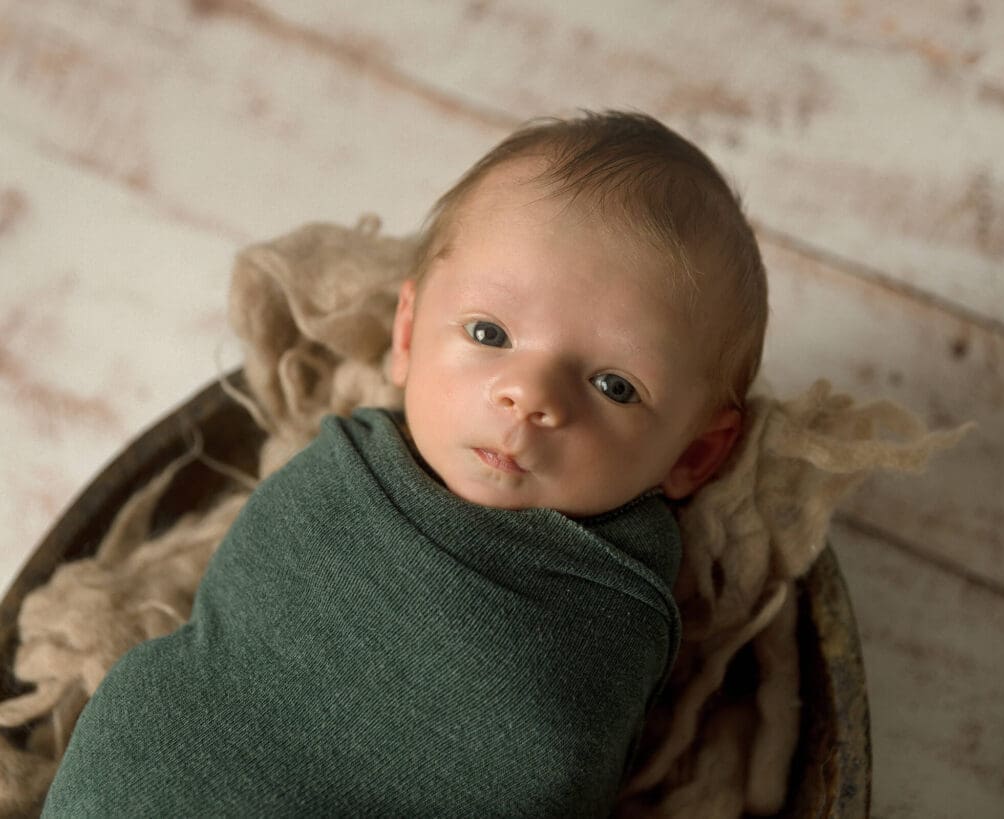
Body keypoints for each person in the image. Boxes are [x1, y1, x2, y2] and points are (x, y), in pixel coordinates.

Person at [44, 111, 768, 816]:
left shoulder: (617, 592)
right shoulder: (351, 470)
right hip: (169, 765)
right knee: (146, 713)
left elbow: (553, 757)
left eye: (615, 385)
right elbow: (247, 609)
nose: (529, 396)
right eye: (489, 331)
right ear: (408, 333)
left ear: (696, 453)